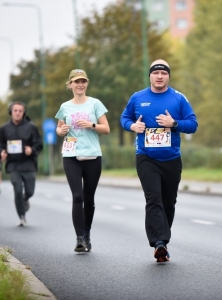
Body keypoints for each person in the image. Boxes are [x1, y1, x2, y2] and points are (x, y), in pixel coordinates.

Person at [120, 59, 198, 262]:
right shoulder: (138, 98)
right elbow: (124, 118)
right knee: (153, 199)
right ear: (150, 76)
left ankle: (163, 241)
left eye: (164, 73)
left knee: (168, 203)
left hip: (171, 158)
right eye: (156, 73)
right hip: (146, 157)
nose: (160, 76)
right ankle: (159, 243)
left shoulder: (179, 98)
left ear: (168, 76)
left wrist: (174, 123)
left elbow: (193, 124)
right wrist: (131, 127)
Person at [55, 69, 110, 252]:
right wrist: (60, 131)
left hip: (93, 156)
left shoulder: (95, 104)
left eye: (83, 81)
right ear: (70, 84)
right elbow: (59, 128)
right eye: (76, 81)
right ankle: (79, 238)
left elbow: (106, 129)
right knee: (77, 196)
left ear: (87, 83)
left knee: (89, 197)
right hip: (71, 156)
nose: (80, 84)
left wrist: (92, 125)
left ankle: (86, 233)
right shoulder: (65, 107)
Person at [0, 101, 43, 226]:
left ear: (24, 113)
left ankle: (25, 200)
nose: (18, 113)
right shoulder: (4, 129)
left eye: (20, 111)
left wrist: (32, 150)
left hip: (28, 163)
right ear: (11, 112)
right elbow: (1, 144)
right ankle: (22, 216)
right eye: (15, 111)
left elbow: (39, 145)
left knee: (29, 191)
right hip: (13, 165)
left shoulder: (31, 127)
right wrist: (2, 152)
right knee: (17, 189)